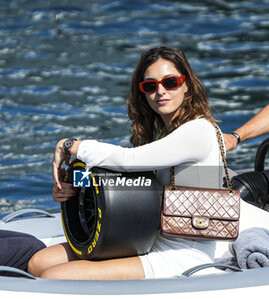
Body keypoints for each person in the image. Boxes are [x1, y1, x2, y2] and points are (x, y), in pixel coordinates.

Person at [27, 47, 231, 280]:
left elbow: (127, 161)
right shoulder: (164, 134)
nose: (160, 91)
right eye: (150, 86)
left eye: (171, 82)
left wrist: (72, 145)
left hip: (185, 254)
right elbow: (129, 181)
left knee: (53, 276)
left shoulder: (198, 131)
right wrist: (73, 187)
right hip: (147, 239)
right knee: (38, 263)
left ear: (187, 85)